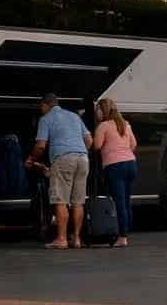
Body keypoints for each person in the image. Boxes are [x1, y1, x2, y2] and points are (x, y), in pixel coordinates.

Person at [24, 92, 92, 249]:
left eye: (41, 107)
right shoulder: (74, 116)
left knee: (60, 200)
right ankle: (76, 239)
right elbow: (89, 140)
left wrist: (31, 159)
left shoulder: (46, 119)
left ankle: (61, 239)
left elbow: (40, 145)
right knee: (78, 202)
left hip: (63, 159)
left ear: (45, 105)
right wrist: (78, 151)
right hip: (82, 158)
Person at [91, 96, 139, 247]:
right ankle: (126, 230)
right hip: (130, 164)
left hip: (115, 166)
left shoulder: (103, 126)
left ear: (103, 110)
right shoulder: (125, 124)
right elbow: (134, 144)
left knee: (119, 201)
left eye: (98, 109)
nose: (96, 112)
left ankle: (122, 237)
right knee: (126, 200)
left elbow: (97, 146)